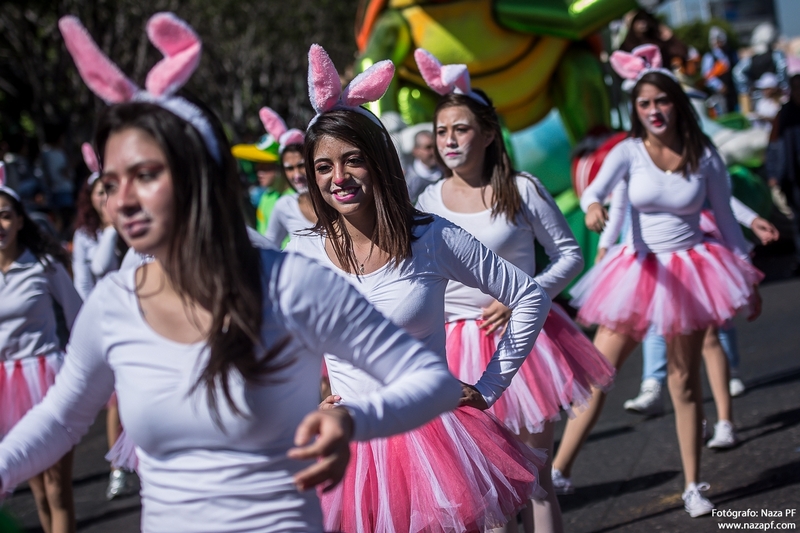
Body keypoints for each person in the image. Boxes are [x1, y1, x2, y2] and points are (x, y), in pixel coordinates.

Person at [0, 14, 463, 532]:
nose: (123, 200)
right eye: (111, 182)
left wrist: (352, 420)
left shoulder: (290, 284)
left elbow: (433, 383)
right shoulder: (114, 302)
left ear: (201, 175)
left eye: (145, 175)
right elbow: (60, 419)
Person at [289, 44, 551, 533]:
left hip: (434, 440)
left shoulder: (431, 236)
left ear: (379, 162)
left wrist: (490, 386)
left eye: (352, 161)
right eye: (323, 167)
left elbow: (529, 296)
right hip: (350, 447)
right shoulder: (302, 251)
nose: (338, 178)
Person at [552, 45, 763, 518]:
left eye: (661, 100)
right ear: (636, 109)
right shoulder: (628, 151)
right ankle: (560, 469)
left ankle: (692, 485)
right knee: (599, 375)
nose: (653, 110)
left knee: (683, 382)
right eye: (644, 103)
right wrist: (593, 207)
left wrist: (748, 277)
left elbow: (726, 220)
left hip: (690, 274)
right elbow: (594, 191)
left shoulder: (703, 155)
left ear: (676, 102)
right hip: (638, 272)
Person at [413, 48, 615, 533]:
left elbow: (569, 255)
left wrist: (520, 295)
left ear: (487, 134)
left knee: (536, 483)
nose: (449, 140)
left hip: (522, 347)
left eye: (460, 129)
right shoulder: (426, 200)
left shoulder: (521, 188)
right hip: (454, 348)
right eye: (441, 131)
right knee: (485, 489)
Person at [0, 162, 82, 533]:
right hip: (7, 387)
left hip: (47, 377)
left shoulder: (44, 265)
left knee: (57, 488)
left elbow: (80, 318)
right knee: (37, 490)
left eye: (5, 215)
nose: (0, 224)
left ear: (20, 220)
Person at [259, 107, 317, 249]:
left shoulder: (333, 199)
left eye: (301, 166)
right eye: (289, 169)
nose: (297, 175)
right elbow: (269, 246)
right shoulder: (284, 205)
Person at [231, 133, 288, 234]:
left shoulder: (296, 198)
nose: (259, 173)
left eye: (265, 167)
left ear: (280, 167)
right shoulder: (266, 198)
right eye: (258, 167)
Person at [701, 26, 738, 116]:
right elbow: (706, 76)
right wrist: (719, 86)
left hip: (733, 91)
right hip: (719, 94)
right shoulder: (709, 56)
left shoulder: (731, 53)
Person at [404, 130, 442, 203]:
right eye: (428, 147)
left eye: (436, 146)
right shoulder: (408, 180)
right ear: (416, 151)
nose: (434, 151)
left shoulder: (447, 171)